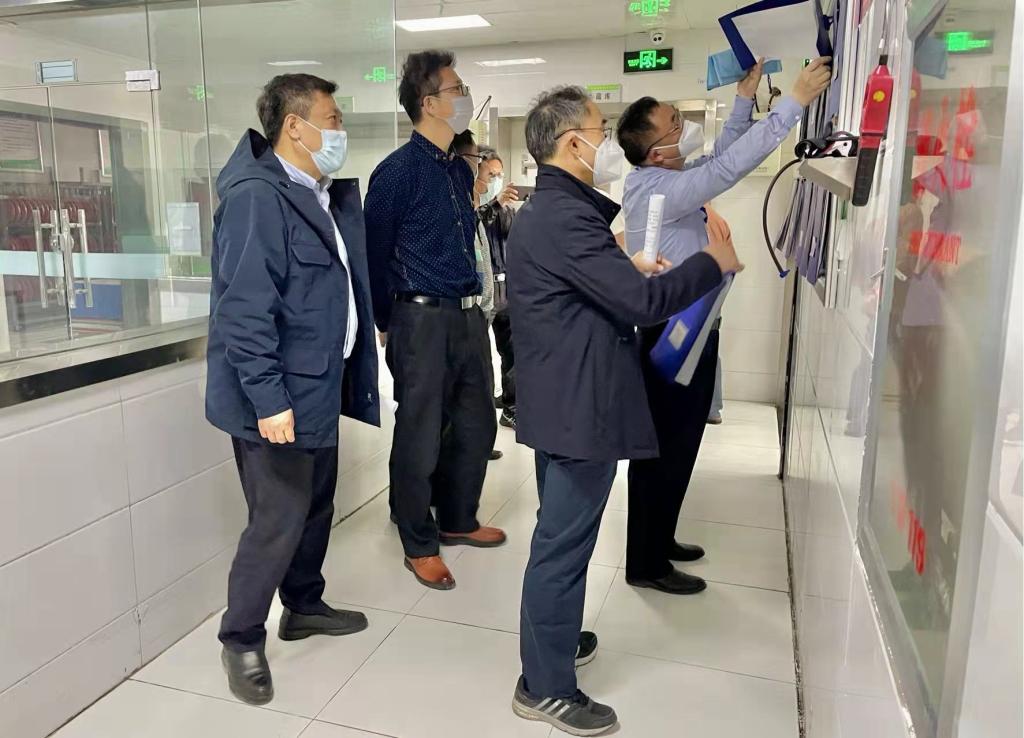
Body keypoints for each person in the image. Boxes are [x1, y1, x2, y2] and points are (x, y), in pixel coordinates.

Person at [507, 85, 743, 736]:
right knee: (562, 547)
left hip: (562, 398)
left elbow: (583, 288)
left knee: (560, 538)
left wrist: (628, 265)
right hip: (577, 408)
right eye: (599, 129)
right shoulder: (565, 216)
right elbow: (642, 305)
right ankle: (544, 687)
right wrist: (711, 262)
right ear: (571, 144)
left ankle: (552, 642)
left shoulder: (557, 210)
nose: (607, 140)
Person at [614, 57, 832, 595]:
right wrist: (794, 102)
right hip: (669, 338)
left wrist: (742, 100)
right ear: (656, 150)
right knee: (662, 451)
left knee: (681, 446)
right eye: (674, 123)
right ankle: (645, 563)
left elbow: (717, 158)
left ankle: (660, 539)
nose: (684, 126)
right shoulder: (656, 190)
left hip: (689, 333)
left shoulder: (668, 177)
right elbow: (727, 168)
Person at [205, 74, 380, 706]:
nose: (340, 131)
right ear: (295, 127)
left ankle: (303, 604)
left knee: (315, 505)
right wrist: (269, 399)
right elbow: (245, 310)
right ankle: (240, 637)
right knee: (276, 519)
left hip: (316, 386)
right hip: (276, 397)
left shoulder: (316, 194)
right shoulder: (258, 197)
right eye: (332, 120)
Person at [365, 50, 505, 592]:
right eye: (457, 89)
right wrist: (388, 321)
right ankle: (418, 541)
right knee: (420, 432)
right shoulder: (397, 172)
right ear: (428, 103)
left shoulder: (455, 168)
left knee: (476, 424)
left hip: (467, 316)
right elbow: (374, 253)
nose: (464, 96)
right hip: (420, 318)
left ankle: (458, 518)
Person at [453, 129, 503, 462]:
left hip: (480, 313)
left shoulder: (475, 216)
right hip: (461, 316)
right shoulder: (457, 215)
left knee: (481, 390)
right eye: (487, 174)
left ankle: (478, 447)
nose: (492, 182)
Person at [476, 146, 520, 430]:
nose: (496, 180)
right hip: (482, 292)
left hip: (507, 289)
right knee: (479, 358)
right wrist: (494, 204)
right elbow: (476, 222)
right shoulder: (470, 206)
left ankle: (511, 406)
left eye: (500, 175)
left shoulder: (505, 210)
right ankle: (480, 418)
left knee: (512, 352)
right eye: (491, 174)